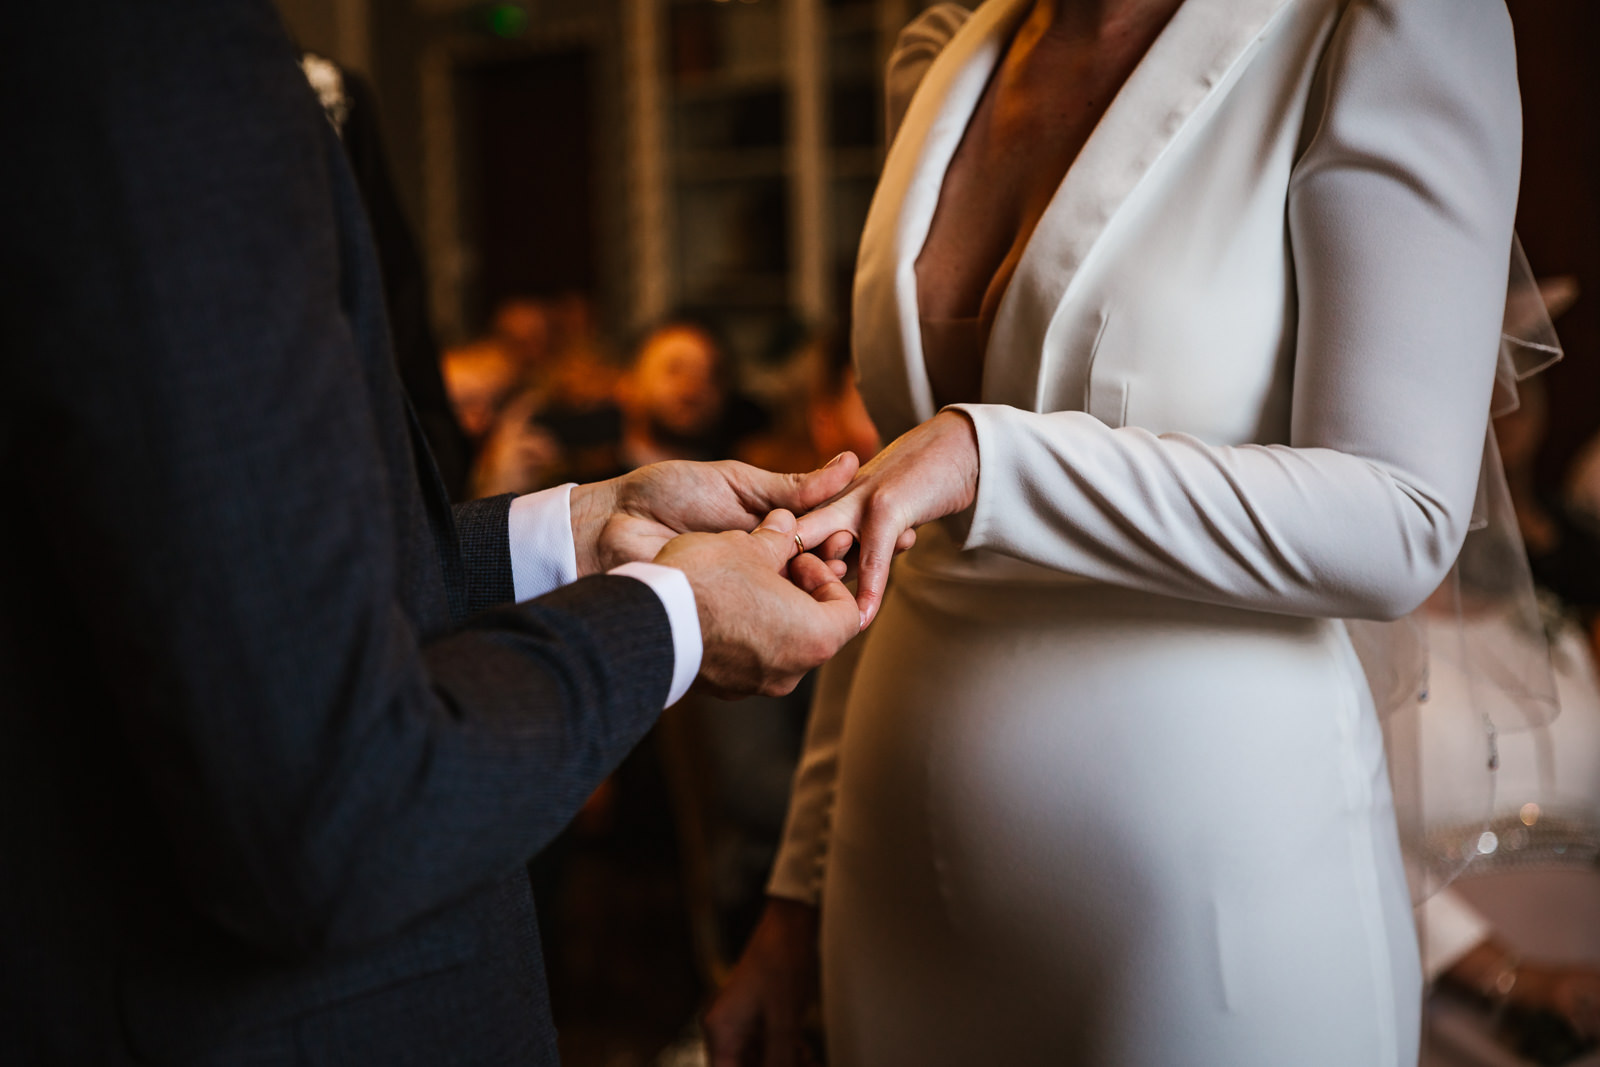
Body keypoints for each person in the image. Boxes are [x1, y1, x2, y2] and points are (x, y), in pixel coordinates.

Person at [0, 2, 862, 1063]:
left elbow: (236, 585)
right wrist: (674, 613)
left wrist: (587, 529)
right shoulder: (151, 54)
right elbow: (331, 808)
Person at [708, 0, 1523, 1063]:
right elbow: (894, 537)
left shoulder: (1384, 24)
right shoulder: (950, 45)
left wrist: (995, 459)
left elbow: (1400, 519)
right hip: (893, 889)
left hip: (1210, 901)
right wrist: (794, 893)